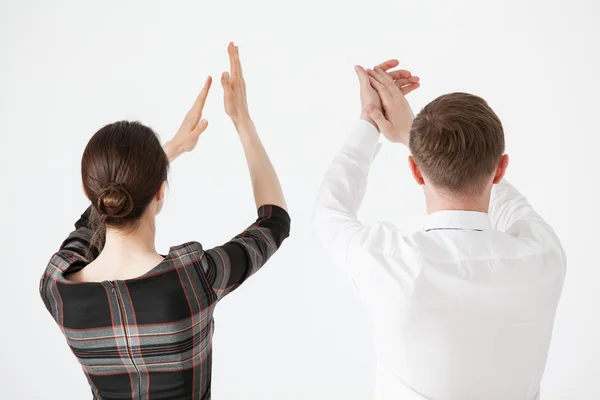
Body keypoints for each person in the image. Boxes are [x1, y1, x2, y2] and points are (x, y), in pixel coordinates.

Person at [39, 43, 290, 400]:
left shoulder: (57, 285)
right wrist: (242, 121)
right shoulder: (194, 278)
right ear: (160, 192)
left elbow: (90, 222)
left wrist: (168, 151)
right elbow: (274, 222)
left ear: (86, 190)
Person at [313, 60, 566, 400]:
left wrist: (370, 121)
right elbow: (509, 202)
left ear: (415, 172)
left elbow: (329, 210)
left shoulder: (387, 261)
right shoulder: (543, 255)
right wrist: (413, 135)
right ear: (502, 168)